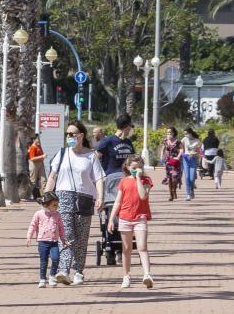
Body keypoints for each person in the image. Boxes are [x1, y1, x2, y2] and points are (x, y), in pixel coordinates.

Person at [45, 120, 105, 286]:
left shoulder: (90, 156)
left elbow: (99, 178)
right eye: (67, 134)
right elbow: (52, 176)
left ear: (81, 135)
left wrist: (100, 196)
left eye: (72, 134)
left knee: (81, 236)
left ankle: (78, 270)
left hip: (84, 197)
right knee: (66, 235)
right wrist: (46, 196)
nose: (69, 137)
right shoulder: (62, 153)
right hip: (63, 197)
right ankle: (64, 270)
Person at [108, 155, 154, 289]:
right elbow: (118, 201)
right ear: (128, 167)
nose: (137, 170)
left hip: (140, 218)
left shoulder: (146, 180)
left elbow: (143, 195)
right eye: (134, 168)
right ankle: (126, 276)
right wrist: (111, 219)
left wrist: (138, 178)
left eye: (140, 167)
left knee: (142, 247)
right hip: (125, 217)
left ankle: (147, 274)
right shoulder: (123, 181)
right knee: (126, 248)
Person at [26, 191, 68, 288]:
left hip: (54, 242)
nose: (56, 207)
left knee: (55, 258)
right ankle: (42, 279)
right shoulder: (38, 214)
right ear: (47, 205)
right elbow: (33, 225)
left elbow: (61, 228)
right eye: (54, 205)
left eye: (57, 204)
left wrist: (64, 240)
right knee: (43, 261)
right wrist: (29, 236)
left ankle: (52, 276)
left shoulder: (57, 215)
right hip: (42, 242)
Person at [160, 127, 184, 201]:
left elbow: (182, 150)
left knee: (175, 177)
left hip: (176, 162)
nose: (169, 134)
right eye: (167, 133)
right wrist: (161, 157)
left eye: (170, 132)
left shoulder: (178, 142)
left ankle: (174, 190)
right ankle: (171, 194)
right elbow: (163, 149)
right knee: (169, 178)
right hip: (168, 162)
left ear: (174, 133)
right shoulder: (165, 141)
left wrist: (178, 156)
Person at [182, 127, 202, 200]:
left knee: (192, 178)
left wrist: (195, 153)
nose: (185, 135)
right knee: (187, 178)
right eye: (184, 134)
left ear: (190, 133)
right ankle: (188, 194)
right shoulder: (184, 139)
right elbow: (180, 148)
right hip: (186, 160)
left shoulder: (197, 141)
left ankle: (192, 189)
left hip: (193, 160)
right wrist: (182, 153)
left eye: (186, 134)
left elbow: (199, 151)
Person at [28, 135, 46, 200]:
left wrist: (42, 157)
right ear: (34, 140)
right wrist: (42, 157)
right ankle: (28, 195)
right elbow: (32, 158)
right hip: (34, 164)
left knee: (43, 179)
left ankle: (44, 195)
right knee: (33, 180)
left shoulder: (39, 146)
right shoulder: (32, 148)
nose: (39, 140)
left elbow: (42, 154)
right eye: (37, 139)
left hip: (40, 163)